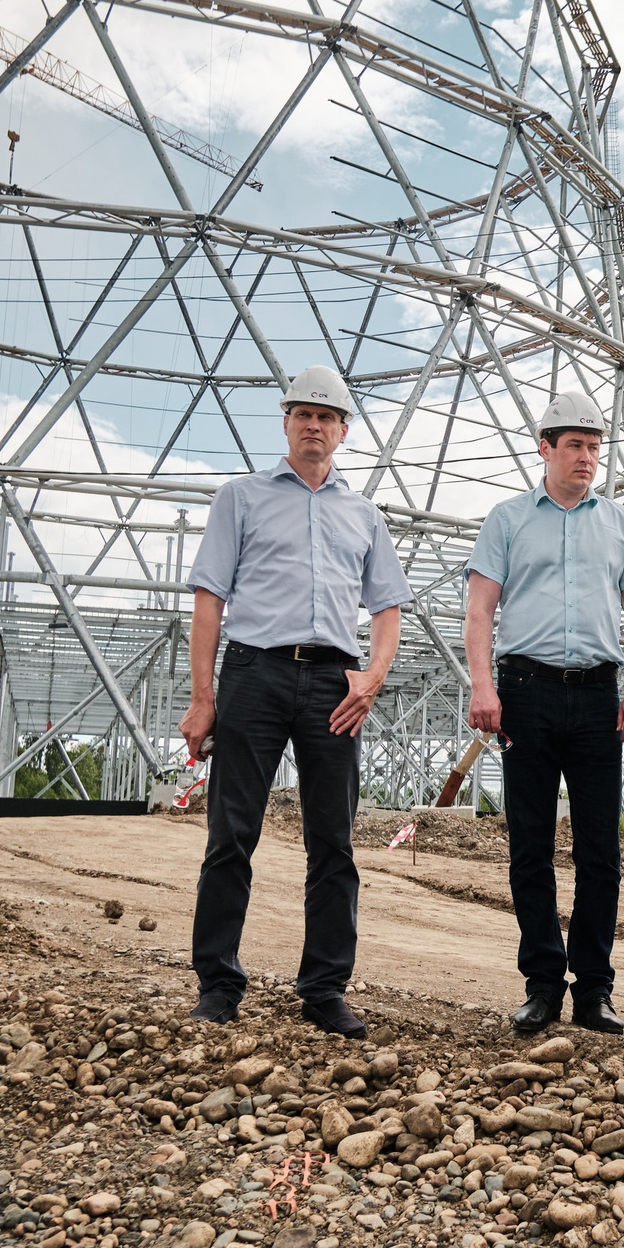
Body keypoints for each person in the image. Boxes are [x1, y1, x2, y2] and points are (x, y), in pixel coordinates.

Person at [182, 365, 410, 1039]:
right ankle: (218, 985)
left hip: (334, 685)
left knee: (333, 843)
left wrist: (373, 675)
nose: (314, 425)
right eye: (303, 414)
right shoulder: (242, 498)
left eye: (327, 416)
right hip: (254, 674)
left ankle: (324, 989)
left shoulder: (363, 514)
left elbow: (388, 606)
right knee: (231, 836)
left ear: (344, 431)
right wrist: (203, 700)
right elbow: (208, 601)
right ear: (286, 422)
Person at [464, 390, 624, 1037]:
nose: (586, 457)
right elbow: (480, 612)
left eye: (594, 447)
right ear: (544, 448)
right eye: (573, 445)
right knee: (531, 847)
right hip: (525, 692)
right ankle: (543, 984)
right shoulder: (508, 519)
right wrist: (483, 687)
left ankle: (594, 989)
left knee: (601, 850)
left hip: (600, 696)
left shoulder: (621, 525)